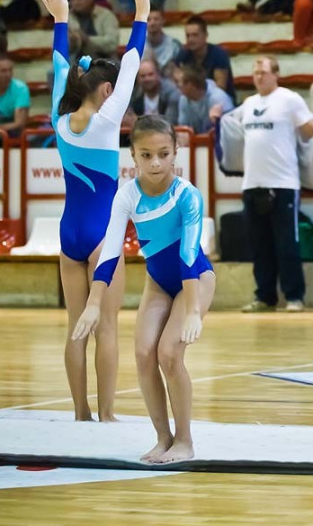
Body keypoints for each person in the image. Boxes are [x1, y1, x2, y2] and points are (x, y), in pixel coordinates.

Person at [38, 0, 149, 422]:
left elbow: (59, 62)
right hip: (104, 236)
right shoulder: (107, 121)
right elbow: (133, 64)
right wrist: (140, 15)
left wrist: (61, 21)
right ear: (106, 91)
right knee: (106, 327)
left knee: (74, 328)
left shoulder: (60, 120)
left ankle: (80, 413)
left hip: (69, 234)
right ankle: (106, 415)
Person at [73, 115, 215, 464]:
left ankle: (185, 440)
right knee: (142, 354)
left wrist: (194, 309)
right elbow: (110, 251)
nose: (155, 163)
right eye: (146, 155)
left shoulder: (187, 195)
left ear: (175, 153)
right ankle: (163, 438)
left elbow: (189, 253)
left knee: (169, 353)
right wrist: (93, 303)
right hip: (157, 284)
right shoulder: (126, 196)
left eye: (164, 154)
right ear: (132, 156)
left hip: (194, 279)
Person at [239, 55, 313, 313]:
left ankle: (295, 296)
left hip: (283, 183)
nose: (258, 76)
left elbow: (309, 131)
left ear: (275, 74)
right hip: (252, 184)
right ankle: (265, 296)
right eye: (255, 72)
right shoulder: (248, 103)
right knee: (259, 246)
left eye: (263, 71)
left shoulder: (290, 99)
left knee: (286, 244)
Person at [175, 15, 236, 102]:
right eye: (188, 36)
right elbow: (178, 80)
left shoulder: (219, 54)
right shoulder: (184, 54)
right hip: (193, 99)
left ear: (205, 35)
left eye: (195, 35)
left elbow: (220, 88)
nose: (190, 39)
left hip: (219, 101)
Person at [143, 4, 181, 77]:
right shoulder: (138, 46)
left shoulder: (174, 46)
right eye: (148, 19)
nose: (152, 23)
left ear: (163, 21)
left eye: (156, 19)